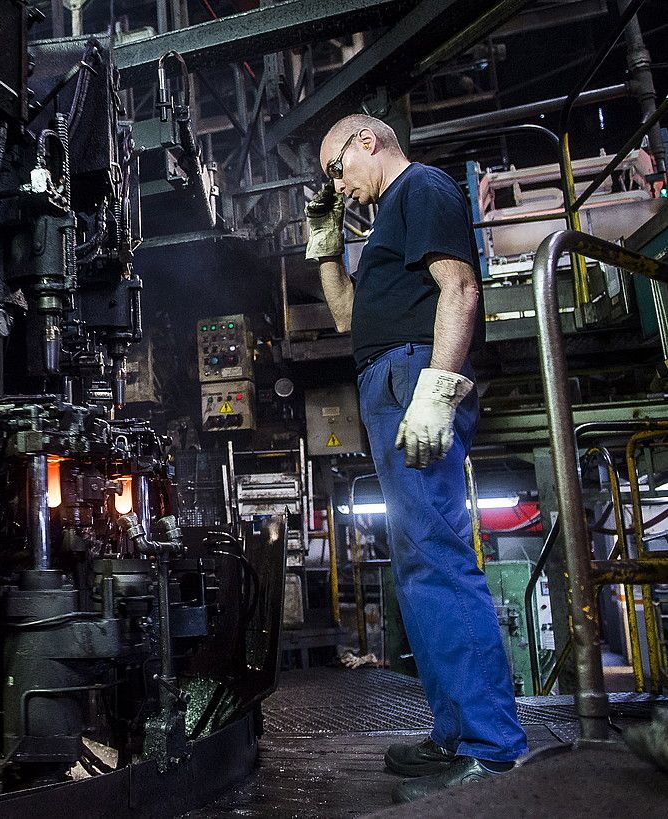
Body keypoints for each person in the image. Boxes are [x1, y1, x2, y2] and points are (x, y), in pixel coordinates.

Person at [305, 113, 528, 803]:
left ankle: (494, 749)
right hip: (384, 379)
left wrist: (436, 386)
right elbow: (343, 316)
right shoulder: (378, 229)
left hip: (412, 377)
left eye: (336, 170)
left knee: (436, 557)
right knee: (417, 567)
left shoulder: (421, 187)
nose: (337, 186)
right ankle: (453, 734)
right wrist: (323, 243)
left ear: (366, 142)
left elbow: (458, 287)